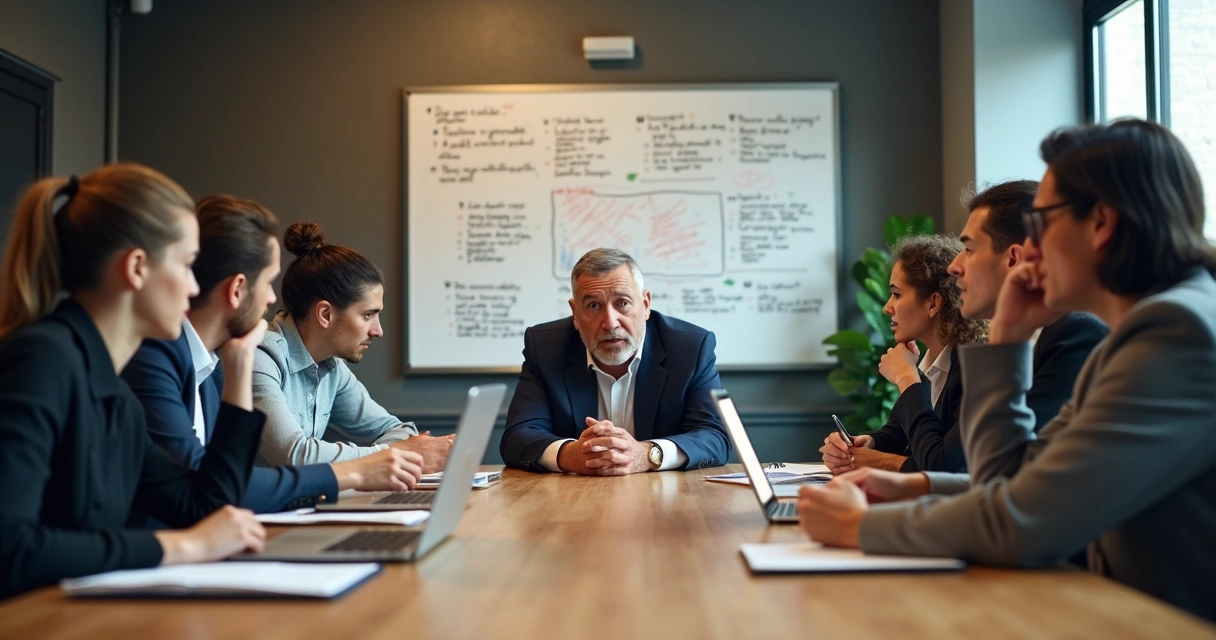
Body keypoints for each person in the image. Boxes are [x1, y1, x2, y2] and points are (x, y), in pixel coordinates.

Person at [798, 119, 1216, 622]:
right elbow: (1019, 479)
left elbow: (1024, 521)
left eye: (1044, 221)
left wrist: (860, 529)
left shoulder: (1175, 332)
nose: (1030, 250)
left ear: (1101, 224)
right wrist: (925, 485)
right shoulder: (1143, 330)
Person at [0, 164, 266, 598]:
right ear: (137, 268)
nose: (194, 286)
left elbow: (203, 507)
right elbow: (11, 549)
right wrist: (183, 546)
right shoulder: (44, 361)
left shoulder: (115, 393)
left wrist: (238, 366)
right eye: (187, 265)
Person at [123, 195, 424, 517]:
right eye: (268, 282)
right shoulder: (157, 359)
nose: (271, 299)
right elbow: (208, 490)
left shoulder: (214, 364)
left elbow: (225, 485)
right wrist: (363, 468)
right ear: (237, 289)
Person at [821, 181, 1107, 489]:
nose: (955, 266)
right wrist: (873, 447)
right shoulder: (1002, 344)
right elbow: (978, 471)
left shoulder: (1074, 333)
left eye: (969, 249)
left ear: (1013, 259)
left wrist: (905, 386)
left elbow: (976, 470)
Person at [501, 248, 730, 474]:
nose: (610, 323)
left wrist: (648, 454)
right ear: (576, 314)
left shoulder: (690, 348)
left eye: (622, 303)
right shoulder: (545, 348)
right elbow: (518, 436)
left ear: (645, 304)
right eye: (593, 306)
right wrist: (572, 455)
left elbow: (714, 437)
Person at [253, 221, 452, 473]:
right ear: (325, 314)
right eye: (368, 315)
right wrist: (393, 454)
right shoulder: (261, 355)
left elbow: (397, 430)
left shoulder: (331, 366)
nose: (378, 331)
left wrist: (397, 450)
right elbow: (295, 455)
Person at [821, 235, 987, 475]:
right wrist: (868, 443)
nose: (887, 307)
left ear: (933, 304)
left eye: (897, 294)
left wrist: (906, 379)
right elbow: (901, 433)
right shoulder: (935, 363)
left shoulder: (975, 370)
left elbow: (941, 466)